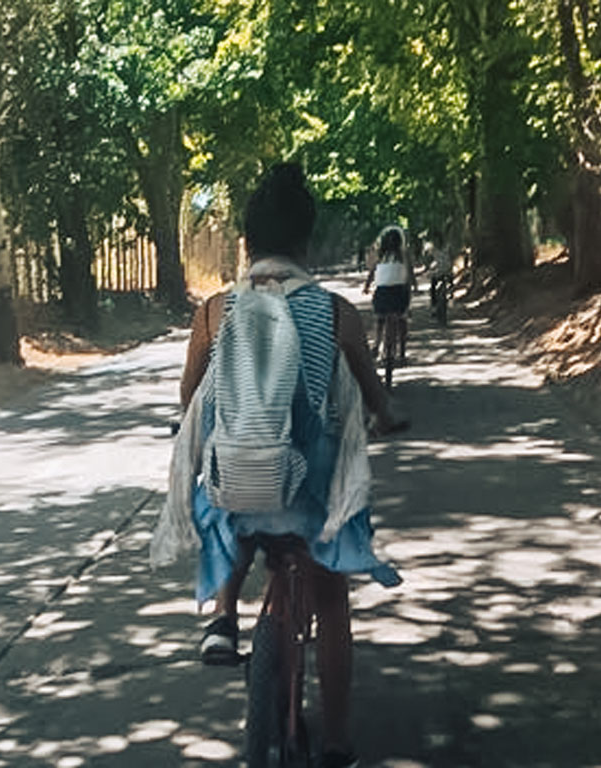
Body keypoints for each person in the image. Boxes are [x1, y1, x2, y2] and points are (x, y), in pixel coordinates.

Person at [152, 163, 404, 768]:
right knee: (331, 595)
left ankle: (223, 619)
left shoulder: (216, 312)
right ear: (307, 245)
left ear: (246, 244)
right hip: (309, 492)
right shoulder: (338, 313)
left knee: (227, 504)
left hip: (236, 484)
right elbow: (374, 396)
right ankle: (338, 741)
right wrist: (386, 416)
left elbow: (191, 399)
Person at [363, 226, 412, 366]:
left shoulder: (380, 256)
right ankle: (402, 352)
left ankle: (376, 345)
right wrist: (412, 287)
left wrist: (366, 286)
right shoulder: (404, 255)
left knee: (379, 320)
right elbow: (409, 273)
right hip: (399, 292)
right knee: (402, 319)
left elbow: (372, 272)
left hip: (382, 292)